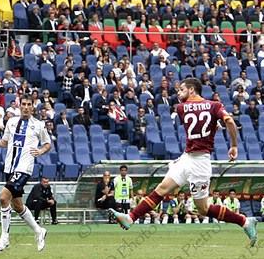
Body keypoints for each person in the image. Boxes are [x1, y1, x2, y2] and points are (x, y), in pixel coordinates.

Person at [110, 78, 257, 246]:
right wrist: (234, 145)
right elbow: (229, 121)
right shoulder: (215, 105)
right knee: (162, 188)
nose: (178, 94)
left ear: (192, 90)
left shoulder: (181, 108)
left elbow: (196, 121)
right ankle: (130, 218)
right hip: (191, 157)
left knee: (203, 208)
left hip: (198, 163)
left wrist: (211, 126)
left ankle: (245, 221)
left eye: (181, 90)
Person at [0, 95, 50, 252]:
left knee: (3, 198)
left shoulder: (38, 125)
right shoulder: (11, 122)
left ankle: (4, 238)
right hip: (9, 167)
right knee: (17, 205)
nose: (26, 107)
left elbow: (47, 143)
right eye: (23, 104)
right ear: (19, 105)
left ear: (32, 107)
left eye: (29, 104)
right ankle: (39, 230)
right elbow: (6, 141)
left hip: (24, 168)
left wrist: (41, 150)